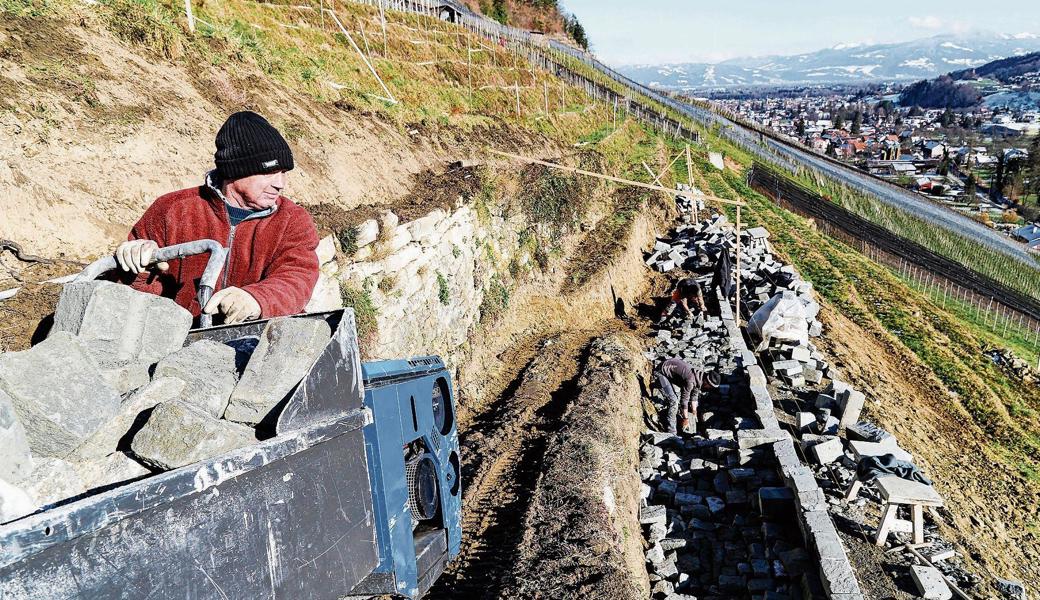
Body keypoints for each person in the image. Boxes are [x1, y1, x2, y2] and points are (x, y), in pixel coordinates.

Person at [115, 111, 320, 324]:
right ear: (236, 170)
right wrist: (135, 267)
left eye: (284, 173)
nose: (280, 183)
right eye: (269, 172)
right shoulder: (172, 210)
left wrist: (257, 300)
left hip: (259, 341)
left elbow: (297, 278)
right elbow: (134, 299)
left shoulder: (292, 220)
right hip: (178, 340)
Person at [655, 358, 720, 434]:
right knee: (674, 402)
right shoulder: (690, 380)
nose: (710, 389)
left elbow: (694, 396)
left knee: (677, 400)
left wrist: (694, 411)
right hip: (660, 373)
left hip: (668, 370)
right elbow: (684, 400)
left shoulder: (700, 376)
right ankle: (671, 432)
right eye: (710, 387)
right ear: (707, 382)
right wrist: (685, 419)